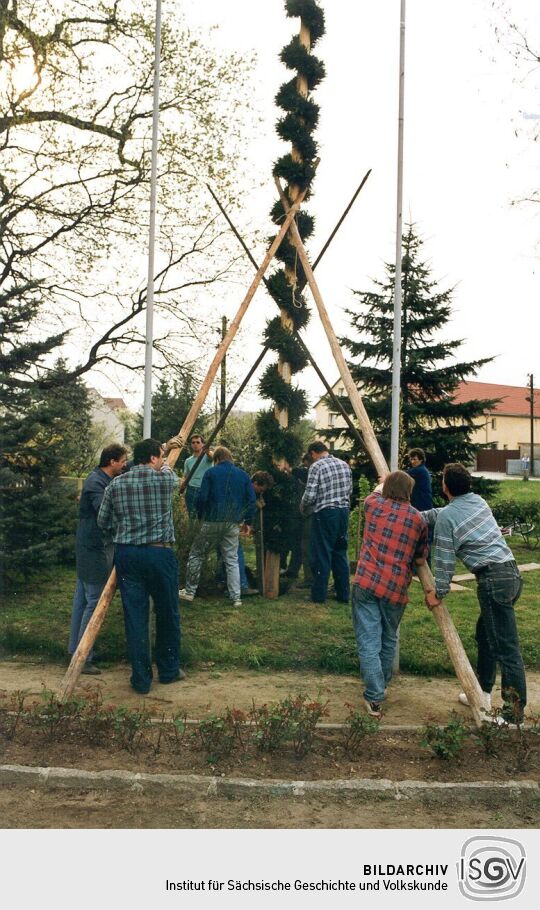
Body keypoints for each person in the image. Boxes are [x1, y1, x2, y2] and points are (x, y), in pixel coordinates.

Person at [422, 462, 526, 724]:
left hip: (492, 580)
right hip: (511, 574)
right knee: (486, 635)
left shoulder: (449, 517)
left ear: (445, 486)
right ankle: (483, 692)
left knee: (505, 647)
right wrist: (415, 516)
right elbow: (444, 513)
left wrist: (439, 592)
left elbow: (444, 560)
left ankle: (513, 715)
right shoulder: (477, 501)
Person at [97, 438, 184, 695]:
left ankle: (141, 679)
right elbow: (168, 471)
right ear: (155, 458)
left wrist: (123, 530)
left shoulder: (116, 484)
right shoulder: (166, 480)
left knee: (135, 617)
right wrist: (167, 451)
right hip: (159, 554)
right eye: (160, 456)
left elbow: (103, 521)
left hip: (128, 556)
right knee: (168, 613)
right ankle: (168, 671)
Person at [352, 471, 428, 718]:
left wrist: (383, 479)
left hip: (367, 583)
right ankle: (380, 687)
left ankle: (374, 696)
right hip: (395, 588)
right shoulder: (418, 520)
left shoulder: (373, 506)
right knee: (388, 639)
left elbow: (375, 492)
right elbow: (421, 556)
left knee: (368, 639)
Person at [68, 443, 128, 674]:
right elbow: (105, 513)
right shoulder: (96, 484)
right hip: (94, 548)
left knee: (82, 599)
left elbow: (131, 467)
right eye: (122, 461)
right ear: (112, 462)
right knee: (92, 601)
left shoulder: (101, 477)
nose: (125, 465)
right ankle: (83, 657)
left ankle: (77, 649)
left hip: (91, 546)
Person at [179, 446, 256, 607]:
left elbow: (201, 498)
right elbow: (251, 501)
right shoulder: (243, 475)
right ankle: (236, 598)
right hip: (233, 522)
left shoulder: (211, 473)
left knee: (197, 554)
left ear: (216, 459)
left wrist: (200, 516)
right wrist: (248, 522)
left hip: (211, 520)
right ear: (230, 458)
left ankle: (190, 591)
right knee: (232, 559)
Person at [300, 441, 352, 604]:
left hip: (325, 513)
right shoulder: (344, 465)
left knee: (322, 553)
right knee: (340, 553)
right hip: (343, 512)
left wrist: (302, 506)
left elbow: (310, 495)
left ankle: (319, 595)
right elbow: (349, 490)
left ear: (314, 453)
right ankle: (343, 594)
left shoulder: (317, 466)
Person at [181, 434, 213, 516]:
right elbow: (186, 476)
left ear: (202, 444)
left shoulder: (207, 457)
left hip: (205, 489)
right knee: (192, 516)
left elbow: (213, 457)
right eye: (193, 442)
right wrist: (183, 487)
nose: (195, 444)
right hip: (191, 490)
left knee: (205, 516)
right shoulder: (188, 461)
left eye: (198, 442)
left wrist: (207, 451)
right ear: (191, 445)